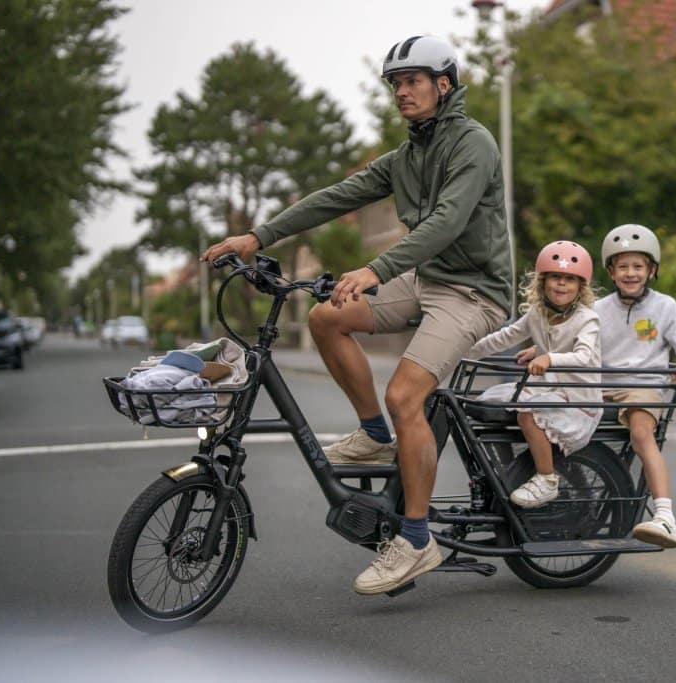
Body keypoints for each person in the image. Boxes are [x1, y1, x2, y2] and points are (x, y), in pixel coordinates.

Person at [201, 35, 511, 595]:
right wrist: (257, 235)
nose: (401, 92)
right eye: (395, 84)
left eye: (412, 81)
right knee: (326, 318)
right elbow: (336, 196)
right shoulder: (406, 157)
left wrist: (376, 269)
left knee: (406, 395)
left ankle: (416, 540)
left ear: (443, 85)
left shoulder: (474, 144)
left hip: (473, 292)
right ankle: (373, 436)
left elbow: (446, 222)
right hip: (428, 280)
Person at [467, 241, 602, 508]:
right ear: (542, 282)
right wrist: (465, 350)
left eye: (570, 279)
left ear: (580, 287)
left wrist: (549, 358)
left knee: (528, 413)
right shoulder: (537, 314)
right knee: (490, 401)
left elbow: (584, 356)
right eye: (555, 277)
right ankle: (510, 471)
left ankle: (547, 480)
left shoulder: (587, 319)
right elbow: (506, 337)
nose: (561, 284)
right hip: (548, 391)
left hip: (576, 400)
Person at [594, 224, 676, 548]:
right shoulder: (597, 309)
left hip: (642, 387)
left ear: (652, 270)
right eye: (623, 266)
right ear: (611, 272)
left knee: (641, 434)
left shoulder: (665, 307)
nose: (630, 273)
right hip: (600, 388)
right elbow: (573, 341)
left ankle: (666, 517)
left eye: (638, 266)